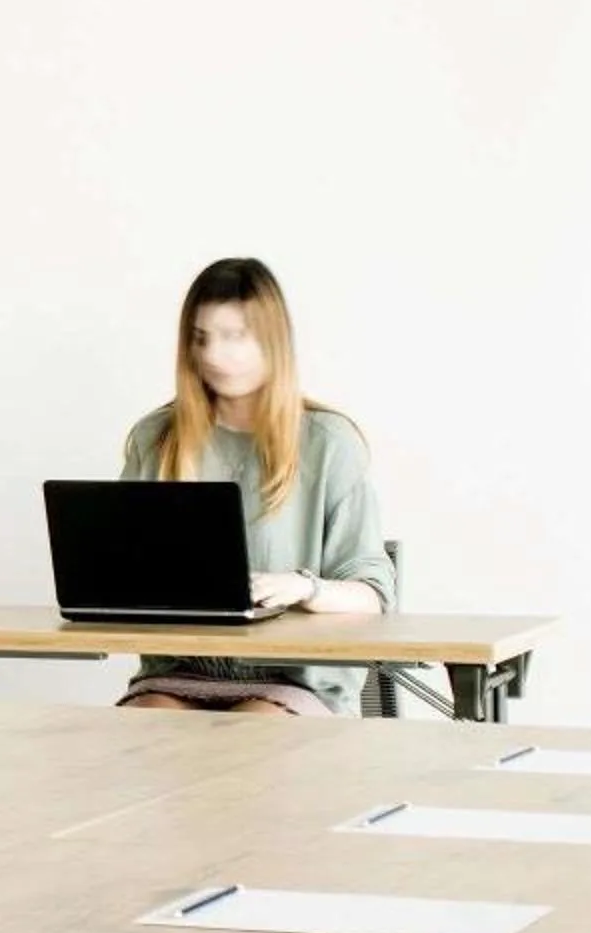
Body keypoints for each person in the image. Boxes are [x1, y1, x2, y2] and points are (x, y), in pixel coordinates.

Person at [117, 257, 394, 717]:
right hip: (177, 674)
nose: (213, 356)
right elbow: (119, 570)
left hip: (292, 683)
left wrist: (304, 589)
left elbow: (374, 594)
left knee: (248, 740)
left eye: (234, 337)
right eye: (202, 338)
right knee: (142, 732)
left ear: (273, 341)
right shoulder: (156, 438)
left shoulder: (329, 443)